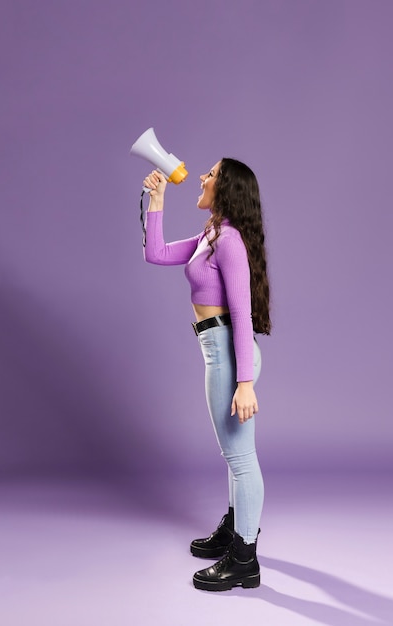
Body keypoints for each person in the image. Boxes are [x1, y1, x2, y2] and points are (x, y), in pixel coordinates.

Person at [142, 158, 271, 592]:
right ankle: (235, 531)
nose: (201, 176)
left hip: (229, 355)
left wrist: (245, 382)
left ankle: (245, 560)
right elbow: (155, 253)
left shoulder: (229, 240)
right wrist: (156, 201)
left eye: (211, 174)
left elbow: (241, 312)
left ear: (227, 187)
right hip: (217, 350)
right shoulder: (209, 236)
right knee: (234, 456)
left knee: (240, 457)